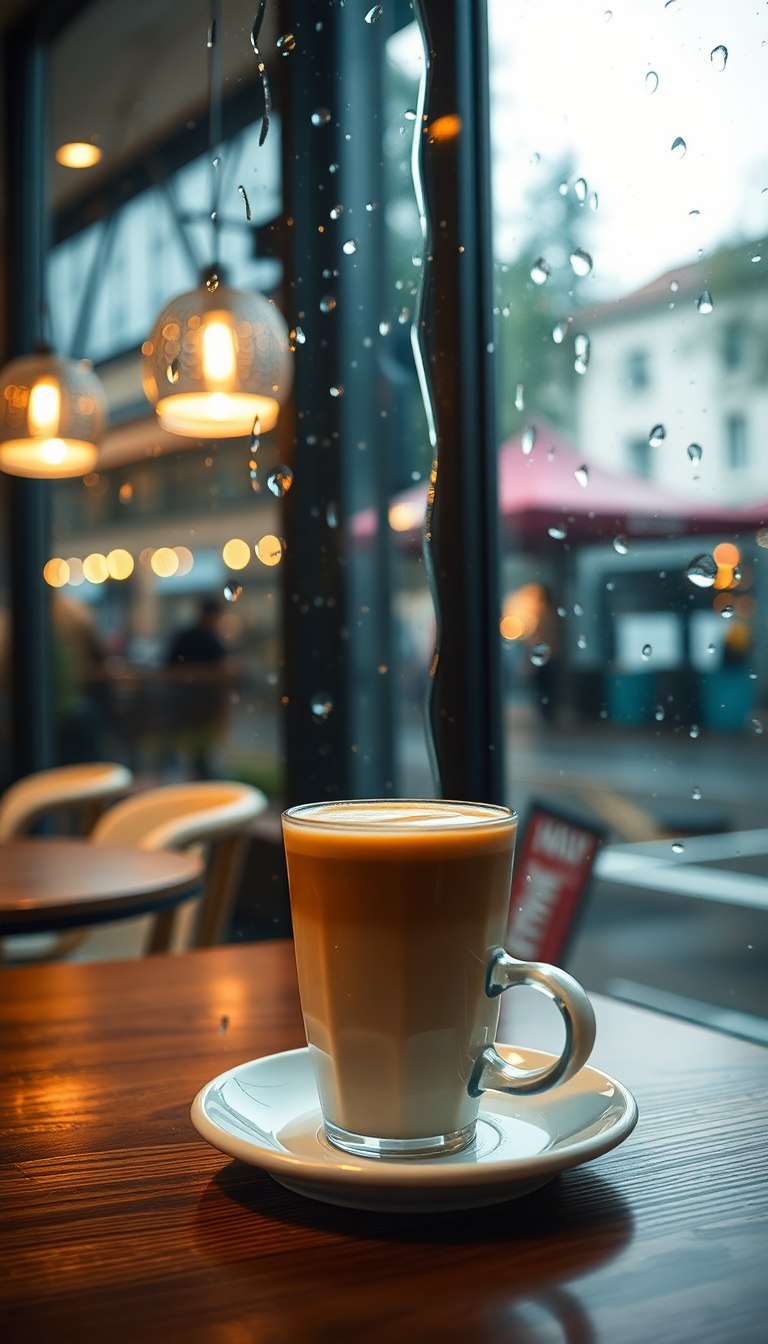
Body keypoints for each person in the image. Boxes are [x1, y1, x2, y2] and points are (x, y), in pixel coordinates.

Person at [167, 600, 238, 778]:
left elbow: (168, 665)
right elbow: (226, 665)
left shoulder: (186, 637)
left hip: (179, 705)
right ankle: (203, 772)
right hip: (200, 708)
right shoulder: (209, 639)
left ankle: (199, 770)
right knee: (201, 744)